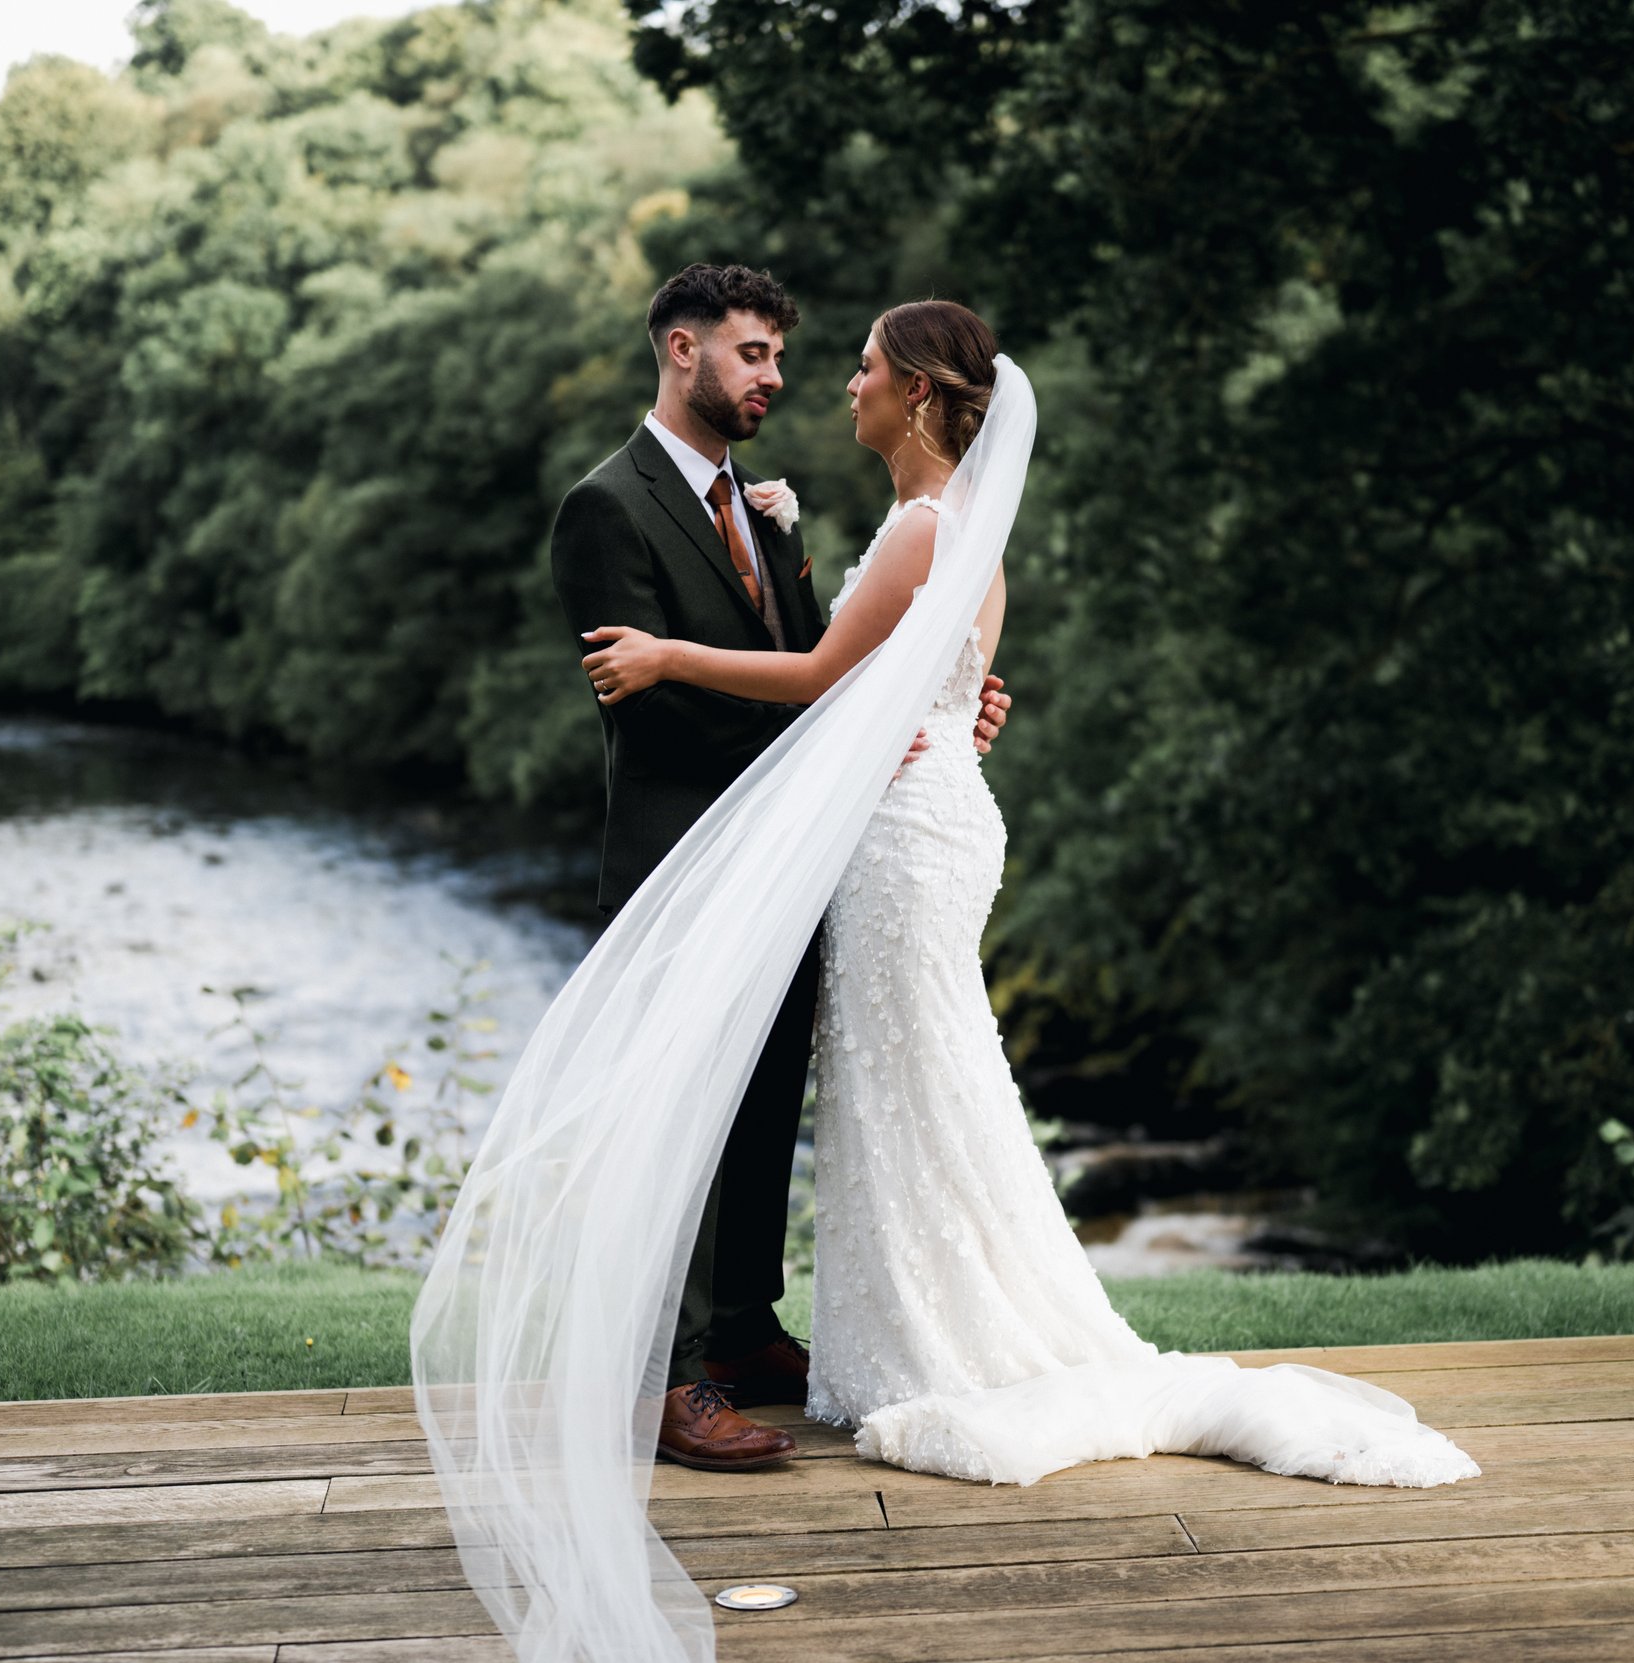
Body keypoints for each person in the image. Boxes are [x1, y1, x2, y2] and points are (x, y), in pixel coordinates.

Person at [411, 299, 1471, 1663]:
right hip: (929, 813)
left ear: (916, 393)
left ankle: (917, 1333)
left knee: (916, 1077)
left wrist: (673, 651)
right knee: (927, 1078)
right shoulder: (963, 530)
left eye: (855, 367)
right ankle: (885, 1321)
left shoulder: (919, 526)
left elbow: (819, 676)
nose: (830, 385)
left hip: (905, 838)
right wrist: (946, 712)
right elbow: (924, 681)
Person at [542, 264, 1013, 1475]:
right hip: (685, 851)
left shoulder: (762, 508)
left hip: (799, 850)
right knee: (680, 1119)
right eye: (753, 354)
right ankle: (669, 1374)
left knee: (759, 1111)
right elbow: (649, 711)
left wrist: (930, 699)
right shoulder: (606, 506)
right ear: (682, 350)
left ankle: (746, 1334)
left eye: (785, 358)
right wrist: (856, 733)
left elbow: (827, 658)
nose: (777, 379)